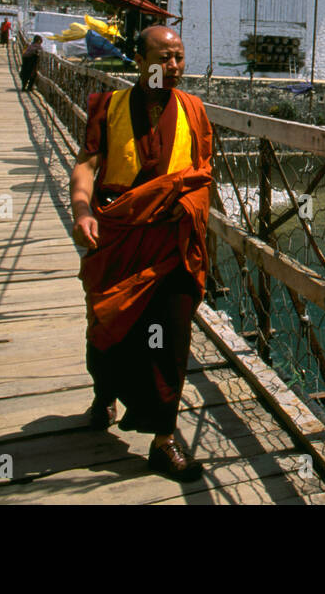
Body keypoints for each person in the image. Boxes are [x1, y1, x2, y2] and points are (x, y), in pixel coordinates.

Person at [69, 25, 214, 481]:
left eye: (178, 57)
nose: (173, 67)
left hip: (172, 243)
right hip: (119, 238)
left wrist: (186, 206)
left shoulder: (193, 110)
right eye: (163, 58)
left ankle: (163, 440)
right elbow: (87, 164)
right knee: (109, 325)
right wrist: (81, 210)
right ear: (139, 61)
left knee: (171, 338)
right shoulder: (108, 107)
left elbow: (202, 174)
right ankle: (104, 392)